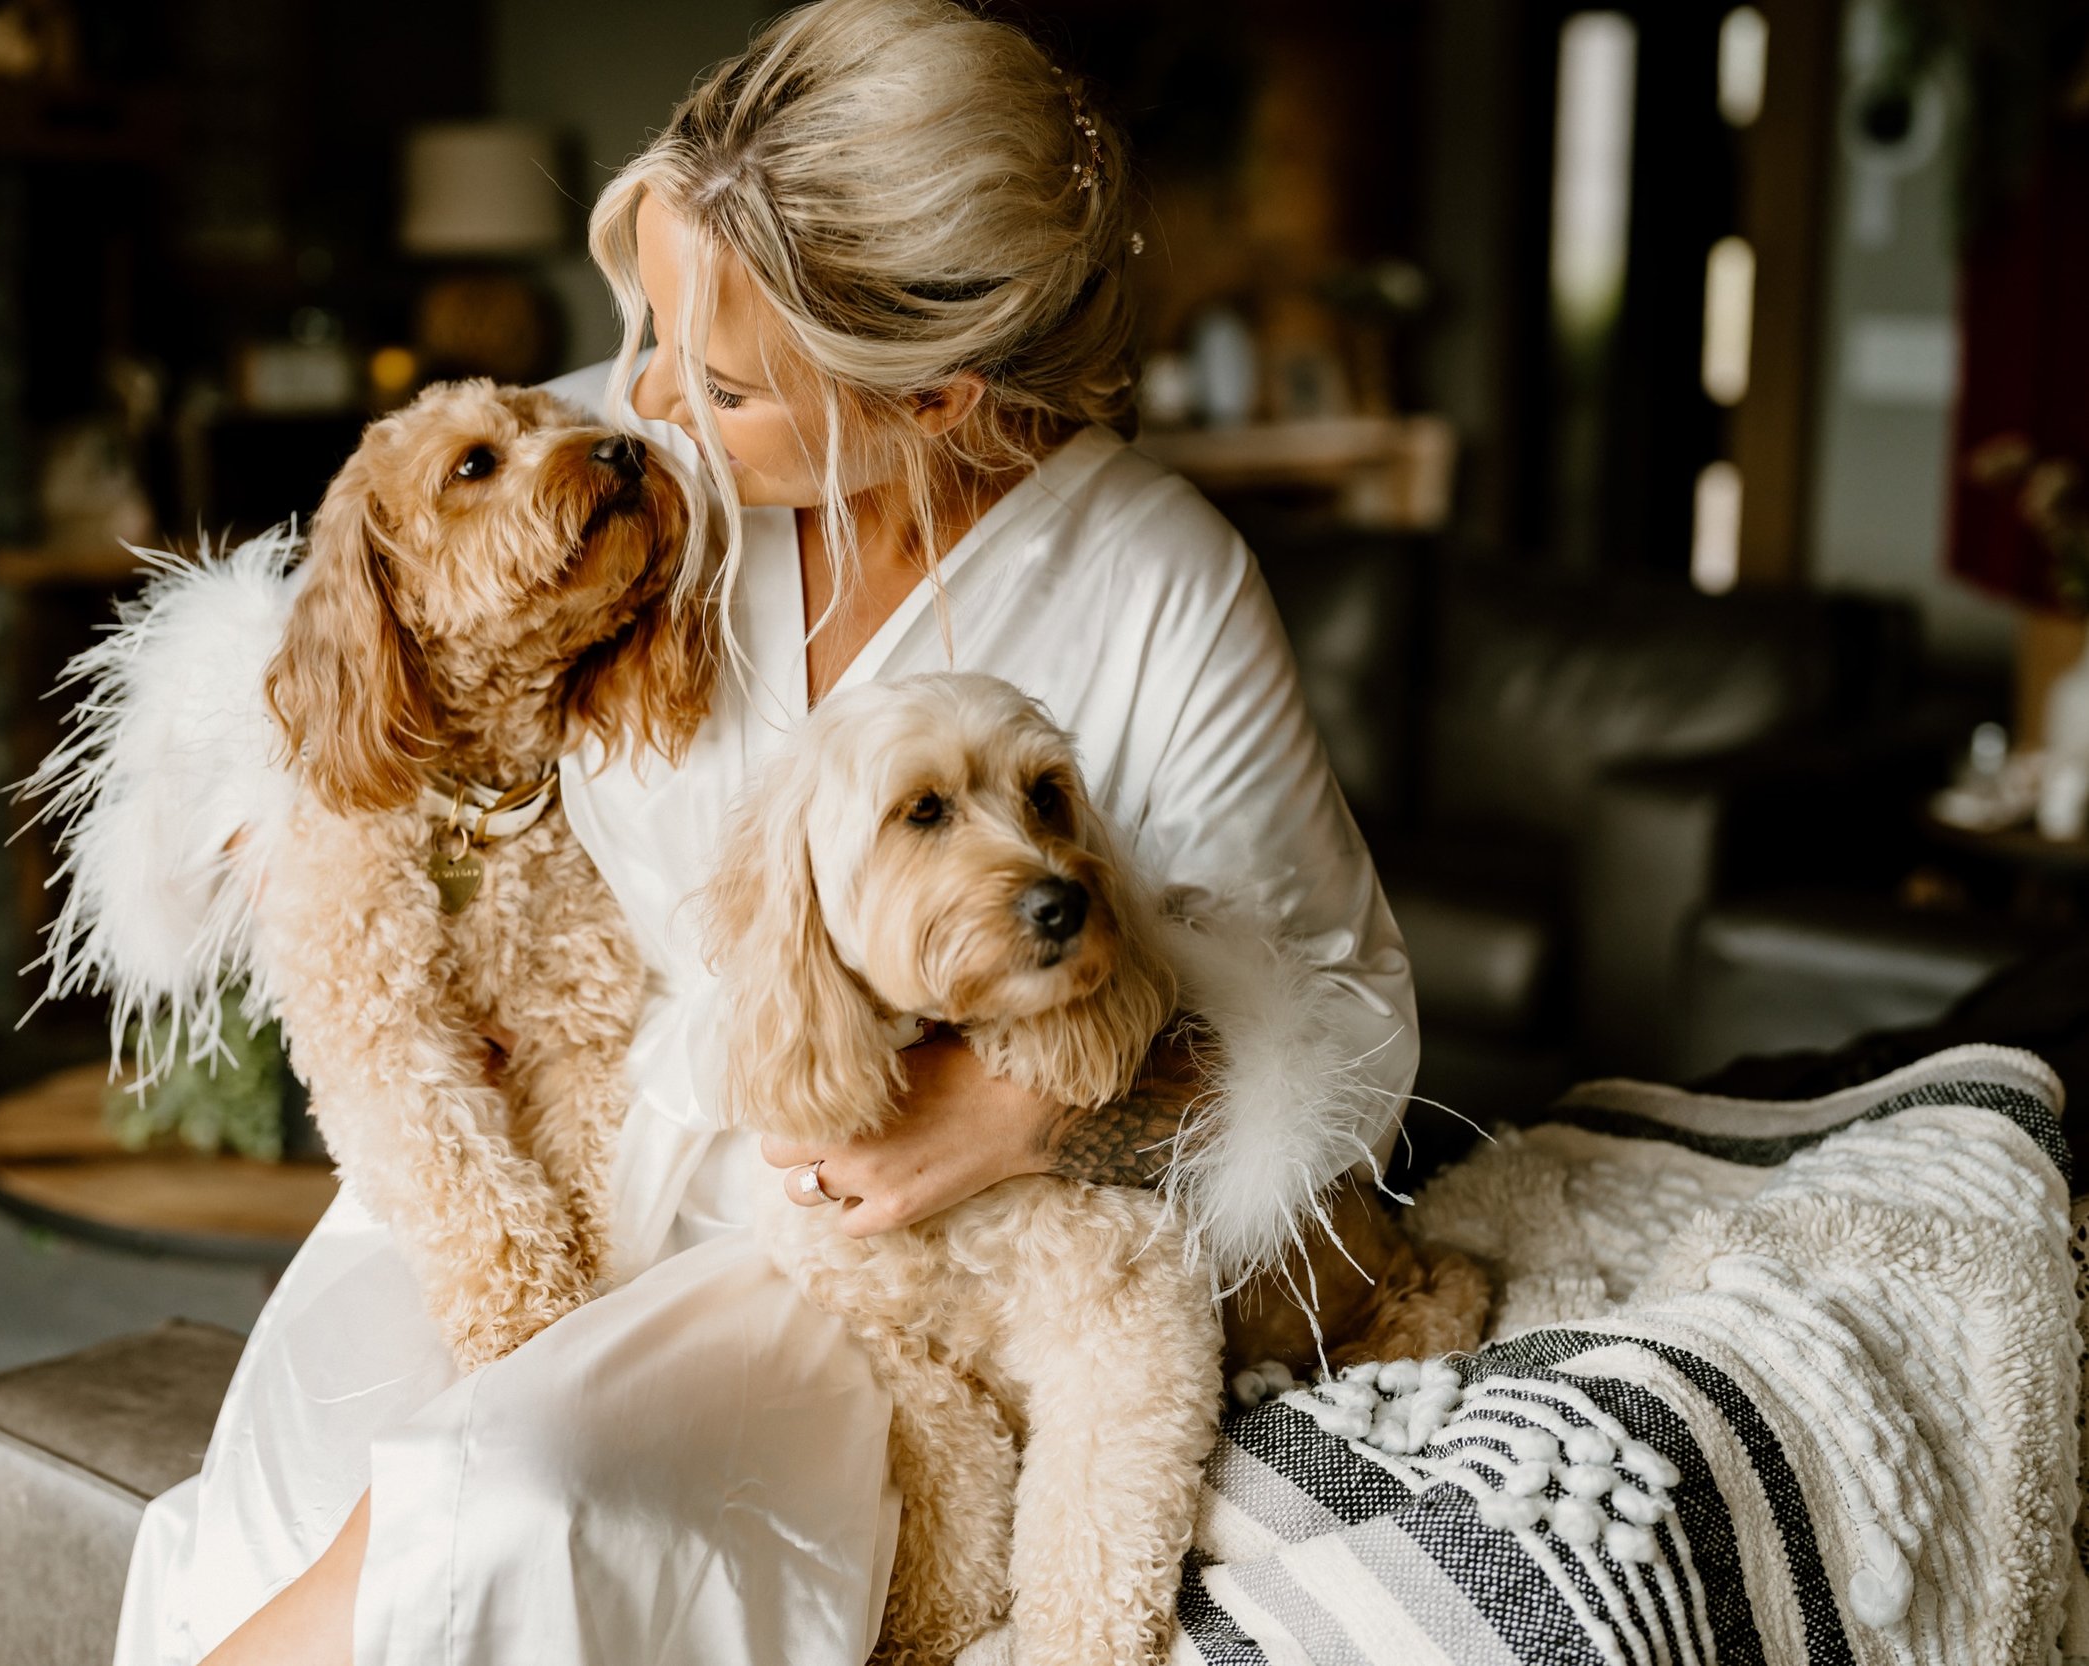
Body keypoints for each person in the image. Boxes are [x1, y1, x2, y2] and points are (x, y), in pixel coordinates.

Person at [118, 2, 1418, 1661]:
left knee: (515, 1496)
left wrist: (1019, 1107)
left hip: (850, 1244)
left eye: (717, 378)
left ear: (935, 397)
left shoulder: (1160, 581)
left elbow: (1349, 1029)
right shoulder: (640, 452)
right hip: (564, 1159)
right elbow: (374, 626)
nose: (639, 393)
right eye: (645, 324)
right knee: (317, 1480)